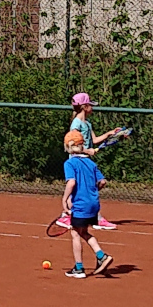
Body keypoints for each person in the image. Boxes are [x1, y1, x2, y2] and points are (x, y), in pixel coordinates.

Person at [58, 92, 121, 231]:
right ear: (84, 107)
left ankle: (81, 213)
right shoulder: (76, 124)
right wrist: (86, 151)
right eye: (90, 105)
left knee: (101, 182)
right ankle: (78, 215)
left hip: (86, 160)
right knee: (77, 187)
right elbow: (72, 143)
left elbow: (94, 140)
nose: (92, 107)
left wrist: (110, 133)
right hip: (76, 160)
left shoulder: (87, 123)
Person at [61, 130, 115, 279]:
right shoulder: (91, 163)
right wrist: (92, 190)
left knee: (75, 233)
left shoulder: (70, 163)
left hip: (81, 204)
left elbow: (71, 182)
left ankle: (80, 267)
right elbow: (102, 182)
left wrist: (64, 199)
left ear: (68, 147)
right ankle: (100, 257)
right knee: (83, 232)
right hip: (94, 204)